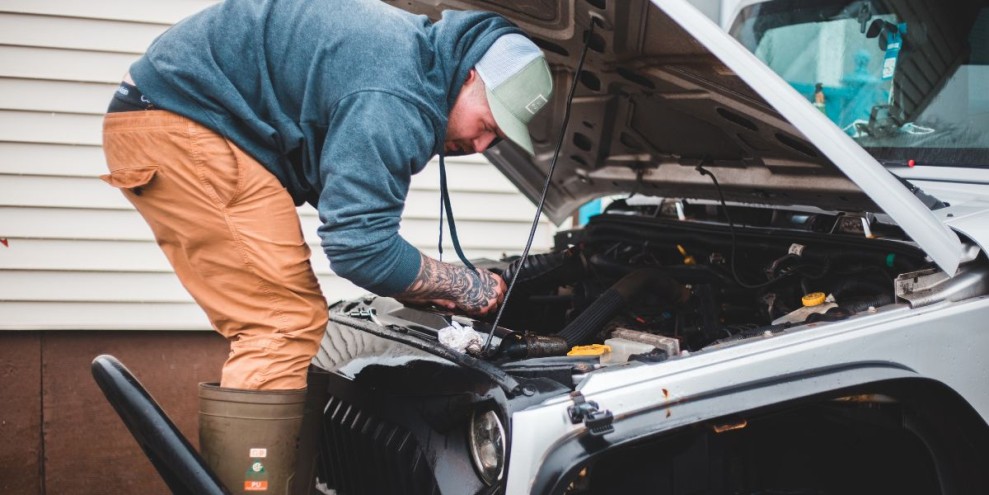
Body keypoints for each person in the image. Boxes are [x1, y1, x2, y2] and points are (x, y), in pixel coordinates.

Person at [100, 0, 553, 491]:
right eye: (488, 123)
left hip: (178, 116)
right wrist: (468, 286)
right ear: (469, 77)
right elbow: (360, 248)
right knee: (279, 323)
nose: (484, 145)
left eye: (499, 137)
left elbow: (351, 216)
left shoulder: (408, 62)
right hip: (184, 124)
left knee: (287, 318)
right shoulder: (397, 91)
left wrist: (416, 282)